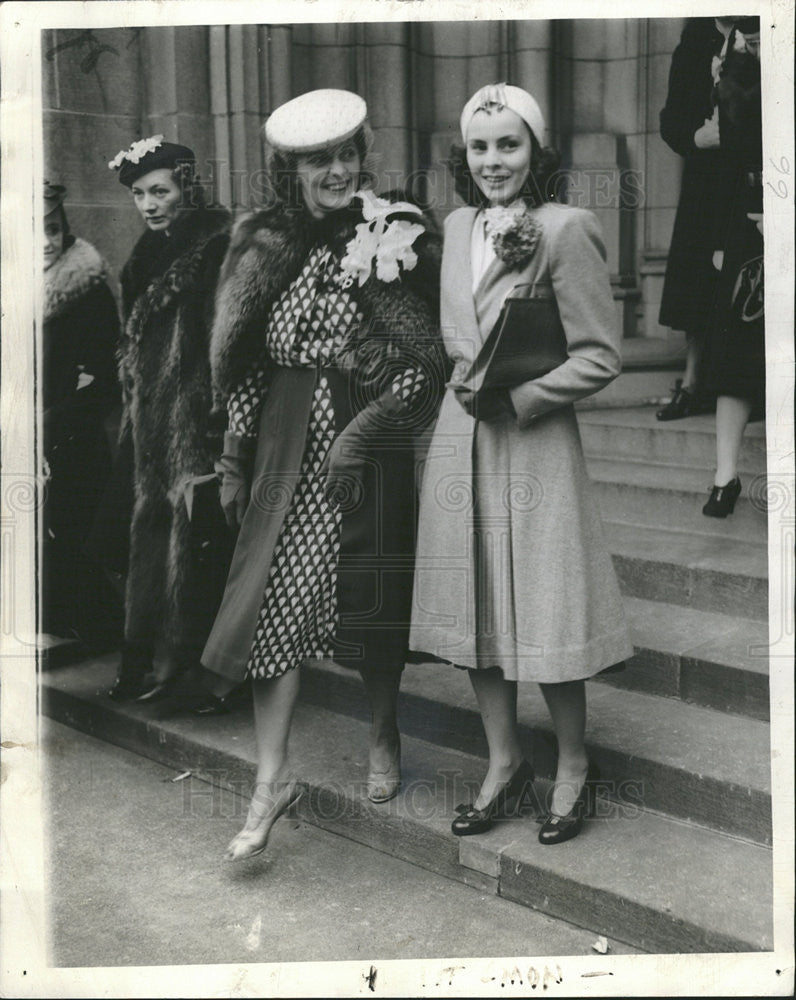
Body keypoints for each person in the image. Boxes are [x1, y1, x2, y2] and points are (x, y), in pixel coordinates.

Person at [200, 88, 444, 862]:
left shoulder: (390, 232)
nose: (337, 171)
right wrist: (236, 458)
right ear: (290, 169)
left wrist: (363, 433)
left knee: (368, 596)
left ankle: (382, 731)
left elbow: (427, 360)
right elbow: (243, 362)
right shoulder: (263, 241)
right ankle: (269, 786)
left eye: (346, 154)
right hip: (283, 446)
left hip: (363, 434)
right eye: (318, 160)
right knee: (273, 609)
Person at [410, 83, 634, 845]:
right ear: (462, 155)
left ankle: (573, 766)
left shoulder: (565, 228)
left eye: (509, 144)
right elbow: (457, 336)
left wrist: (528, 394)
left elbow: (602, 355)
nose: (493, 160)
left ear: (537, 150)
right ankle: (504, 766)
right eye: (479, 146)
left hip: (533, 438)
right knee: (474, 608)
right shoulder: (458, 223)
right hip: (461, 435)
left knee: (545, 604)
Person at [104, 136, 232, 703]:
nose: (150, 204)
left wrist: (218, 415)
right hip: (151, 419)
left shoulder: (216, 245)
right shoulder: (143, 255)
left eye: (161, 191)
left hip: (199, 415)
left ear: (187, 186)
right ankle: (141, 654)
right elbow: (132, 337)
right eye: (139, 194)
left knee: (196, 537)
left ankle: (189, 666)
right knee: (150, 530)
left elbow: (225, 339)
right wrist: (130, 375)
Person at [41, 181, 122, 645]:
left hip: (71, 439)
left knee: (74, 536)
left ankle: (92, 631)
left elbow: (106, 380)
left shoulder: (87, 291)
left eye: (54, 229)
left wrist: (51, 424)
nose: (48, 242)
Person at [656, 17, 741, 421]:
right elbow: (671, 119)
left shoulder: (765, 29)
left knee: (744, 279)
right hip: (706, 182)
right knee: (697, 278)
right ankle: (692, 383)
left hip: (753, 175)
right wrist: (696, 138)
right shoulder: (694, 42)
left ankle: (743, 385)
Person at [701, 17, 764, 517]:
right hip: (748, 215)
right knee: (736, 345)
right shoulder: (736, 63)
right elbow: (728, 156)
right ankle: (725, 475)